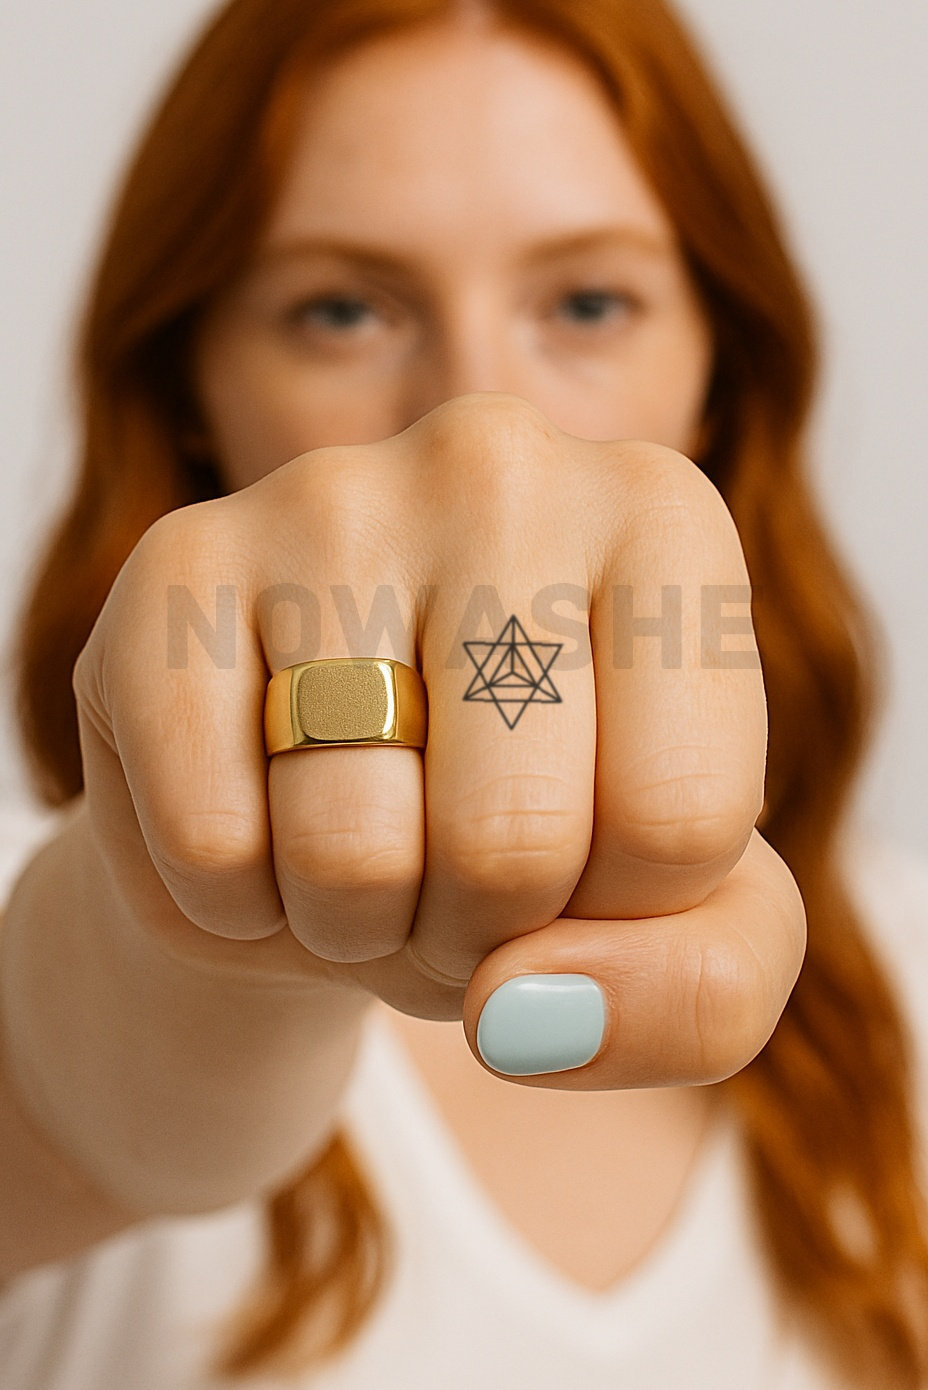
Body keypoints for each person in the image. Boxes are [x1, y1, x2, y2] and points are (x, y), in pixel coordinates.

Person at [0, 0, 926, 1386]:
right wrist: (192, 938)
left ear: (719, 381)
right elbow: (61, 1087)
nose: (484, 421)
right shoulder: (50, 919)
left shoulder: (911, 974)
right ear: (192, 389)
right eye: (342, 309)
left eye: (589, 303)